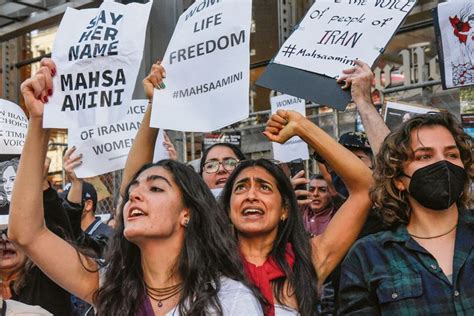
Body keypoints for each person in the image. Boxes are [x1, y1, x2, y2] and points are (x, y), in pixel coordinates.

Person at [9, 58, 263, 315]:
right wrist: (39, 122)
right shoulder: (110, 287)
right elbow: (26, 234)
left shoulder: (229, 301)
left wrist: (154, 106)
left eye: (156, 189)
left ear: (187, 213)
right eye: (132, 193)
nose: (135, 195)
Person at [218, 109, 373, 316]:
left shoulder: (306, 262)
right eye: (241, 188)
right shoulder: (205, 262)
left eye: (264, 187)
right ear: (228, 208)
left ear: (284, 210)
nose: (251, 195)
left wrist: (302, 127)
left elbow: (365, 189)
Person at [338, 112, 474, 314]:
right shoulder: (369, 256)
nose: (443, 164)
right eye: (425, 156)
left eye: (452, 155)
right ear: (399, 179)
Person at [121, 62, 246, 196]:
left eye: (231, 163)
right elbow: (132, 188)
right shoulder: (194, 212)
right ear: (201, 177)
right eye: (211, 166)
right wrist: (155, 103)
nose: (221, 170)